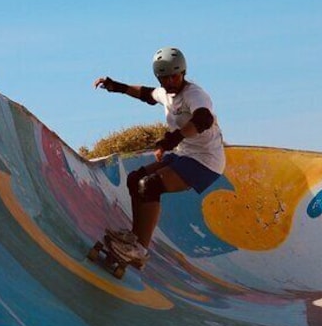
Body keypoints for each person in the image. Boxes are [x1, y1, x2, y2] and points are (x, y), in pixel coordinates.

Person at [93, 46, 225, 264]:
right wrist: (116, 86)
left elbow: (203, 120)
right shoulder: (164, 93)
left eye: (175, 76)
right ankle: (135, 238)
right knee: (135, 179)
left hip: (206, 161)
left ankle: (140, 250)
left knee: (150, 185)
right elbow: (146, 94)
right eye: (164, 78)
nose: (170, 82)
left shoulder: (195, 95)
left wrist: (172, 139)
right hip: (184, 155)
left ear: (183, 73)